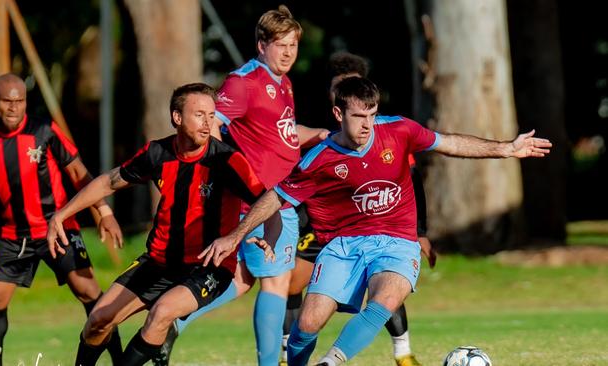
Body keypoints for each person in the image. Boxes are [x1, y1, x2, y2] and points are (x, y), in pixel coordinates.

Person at [199, 77, 552, 365]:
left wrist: (505, 148)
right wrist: (235, 235)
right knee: (307, 323)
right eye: (358, 117)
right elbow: (276, 196)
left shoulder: (398, 131)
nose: (368, 125)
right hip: (343, 246)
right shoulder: (319, 160)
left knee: (386, 297)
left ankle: (331, 363)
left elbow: (449, 143)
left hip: (396, 241)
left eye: (372, 114)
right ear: (338, 114)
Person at [46, 83, 273, 365]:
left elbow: (269, 199)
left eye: (211, 115)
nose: (207, 123)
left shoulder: (227, 159)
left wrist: (237, 235)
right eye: (199, 114)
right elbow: (109, 181)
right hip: (159, 262)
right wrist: (62, 214)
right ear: (177, 117)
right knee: (98, 320)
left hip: (207, 267)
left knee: (162, 311)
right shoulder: (158, 153)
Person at [155, 5, 329, 366]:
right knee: (276, 283)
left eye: (293, 45)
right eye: (280, 45)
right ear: (261, 44)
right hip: (264, 201)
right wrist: (226, 172)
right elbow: (211, 124)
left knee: (241, 278)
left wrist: (322, 136)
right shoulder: (244, 81)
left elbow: (283, 134)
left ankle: (174, 318)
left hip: (277, 197)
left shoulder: (283, 82)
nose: (288, 53)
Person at [281, 52, 436, 366]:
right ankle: (288, 352)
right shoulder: (319, 131)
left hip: (375, 226)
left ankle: (402, 352)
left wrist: (419, 232)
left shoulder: (381, 132)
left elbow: (411, 179)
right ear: (334, 97)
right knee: (292, 284)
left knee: (387, 281)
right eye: (341, 86)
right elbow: (294, 180)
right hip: (321, 226)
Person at [0, 73, 124, 366]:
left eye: (19, 101)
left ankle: (120, 360)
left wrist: (104, 212)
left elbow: (78, 173)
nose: (13, 107)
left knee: (88, 291)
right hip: (12, 235)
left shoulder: (44, 130)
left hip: (56, 228)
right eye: (6, 101)